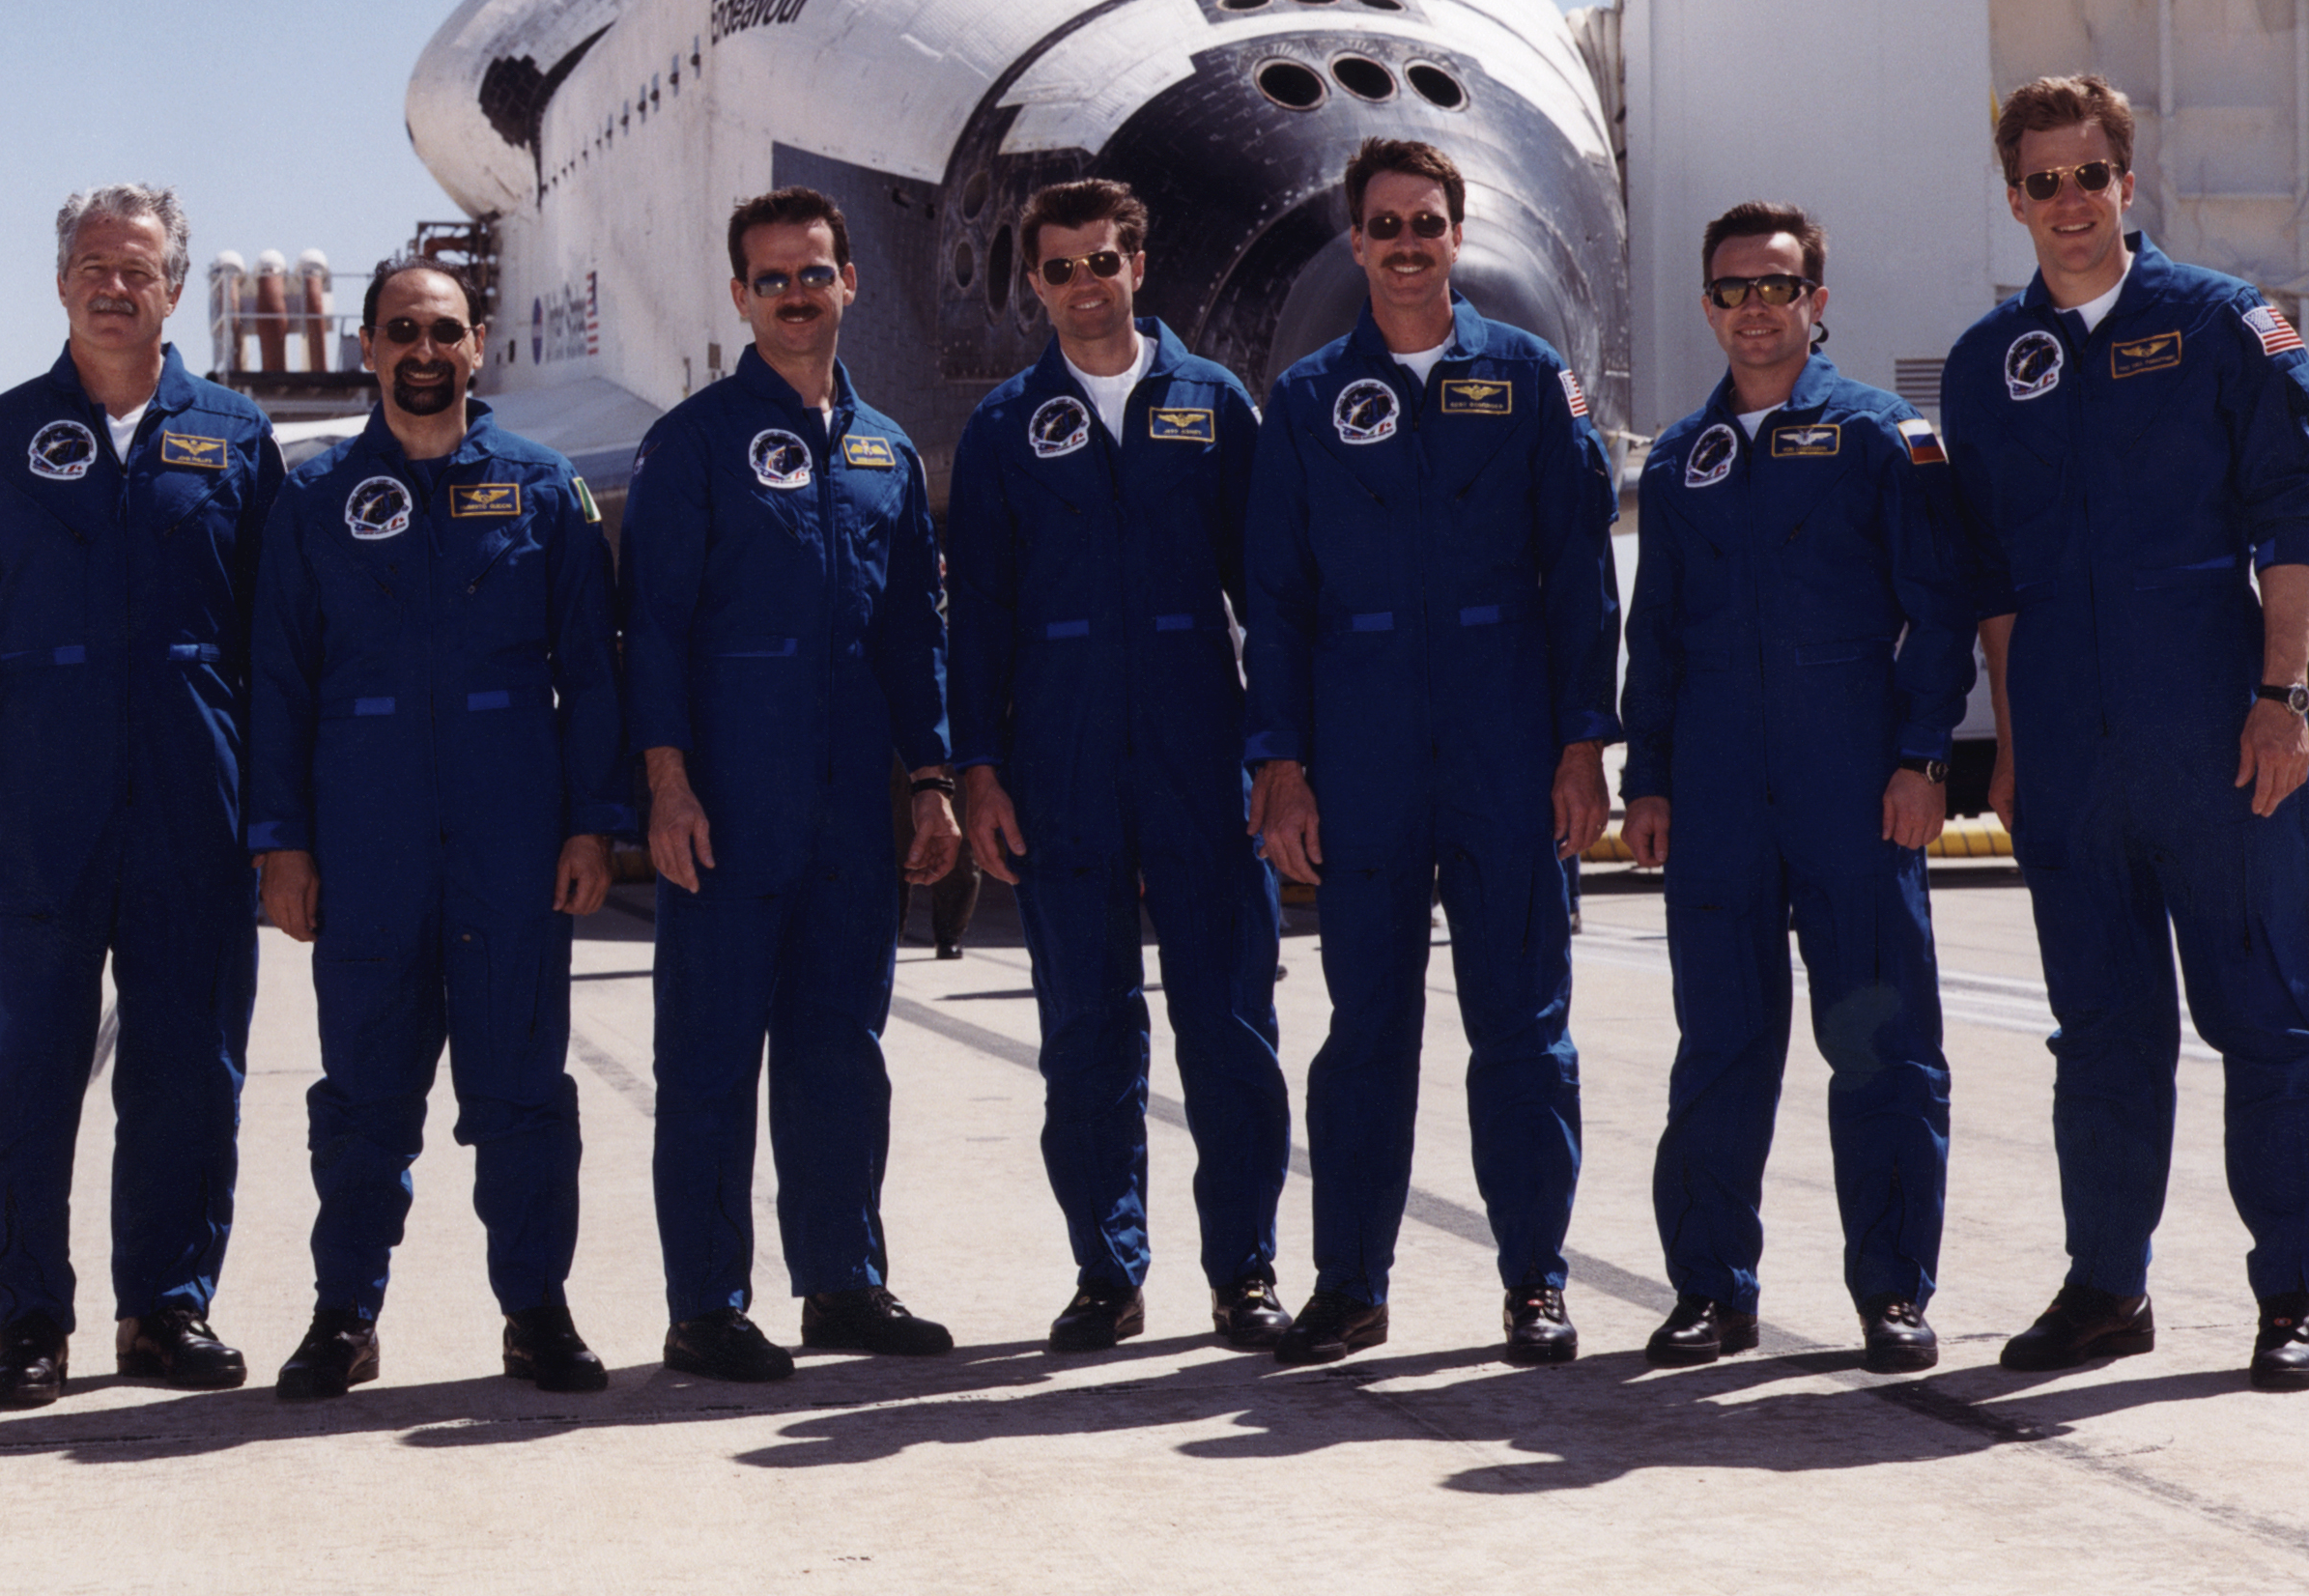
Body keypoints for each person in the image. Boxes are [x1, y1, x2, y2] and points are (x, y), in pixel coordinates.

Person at [1946, 71, 2309, 1392]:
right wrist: (2012, 748)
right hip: (2070, 746)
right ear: (2014, 198)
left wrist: (2284, 697)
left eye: (2091, 175)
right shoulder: (1984, 368)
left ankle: (2292, 1290)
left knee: (2271, 1022)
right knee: (2104, 1036)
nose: (2071, 203)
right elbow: (1995, 583)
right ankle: (2107, 1287)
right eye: (2044, 181)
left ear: (2131, 181)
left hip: (2215, 729)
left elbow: (2292, 518)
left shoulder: (2228, 325)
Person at [0, 185, 280, 1408]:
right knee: (23, 1066)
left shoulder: (236, 437)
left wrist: (281, 825)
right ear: (62, 283)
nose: (118, 286)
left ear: (177, 287)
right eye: (95, 267)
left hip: (195, 798)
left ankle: (166, 1310)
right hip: (43, 804)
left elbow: (281, 643)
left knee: (189, 1066)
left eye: (143, 268)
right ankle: (29, 1323)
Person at [1241, 138, 1619, 1367]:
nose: (1408, 245)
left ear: (1458, 236)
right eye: (1386, 225)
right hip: (1363, 766)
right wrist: (1282, 765)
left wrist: (1581, 746)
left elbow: (1580, 582)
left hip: (1508, 756)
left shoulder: (1530, 381)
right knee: (1367, 1035)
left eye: (1428, 223)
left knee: (1522, 1031)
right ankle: (1350, 1282)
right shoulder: (1303, 403)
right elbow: (1279, 603)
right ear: (1356, 244)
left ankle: (1534, 1284)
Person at [246, 255, 624, 1399]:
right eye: (403, 331)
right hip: (367, 850)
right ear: (367, 346)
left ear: (478, 345)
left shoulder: (544, 489)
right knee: (364, 1098)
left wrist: (589, 826)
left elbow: (591, 679)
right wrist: (283, 843)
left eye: (445, 333)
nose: (425, 352)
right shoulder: (312, 502)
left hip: (512, 844)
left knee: (521, 1091)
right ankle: (344, 1316)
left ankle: (535, 1313)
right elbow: (276, 682)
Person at [1620, 202, 1972, 1374]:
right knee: (1720, 1046)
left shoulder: (1885, 438)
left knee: (1881, 1047)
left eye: (1776, 287)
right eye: (1731, 290)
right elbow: (1655, 634)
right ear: (1708, 306)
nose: (1753, 309)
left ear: (1817, 303)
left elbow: (1940, 611)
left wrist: (1923, 760)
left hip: (1852, 784)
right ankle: (1711, 1290)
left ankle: (1892, 1294)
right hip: (1717, 795)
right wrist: (1652, 778)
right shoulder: (1680, 459)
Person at [948, 177, 1293, 1354]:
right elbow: (977, 621)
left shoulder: (1216, 404)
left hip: (1202, 754)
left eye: (1104, 261)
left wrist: (1280, 752)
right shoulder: (1003, 429)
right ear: (1032, 285)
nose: (1084, 286)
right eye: (1059, 269)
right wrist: (979, 772)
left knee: (1230, 1025)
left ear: (1139, 265)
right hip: (1062, 763)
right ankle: (1108, 1268)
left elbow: (1275, 597)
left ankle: (1245, 1271)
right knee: (1086, 1033)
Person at [622, 185, 960, 1383]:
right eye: (771, 279)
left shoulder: (882, 454)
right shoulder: (697, 442)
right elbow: (652, 630)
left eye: (814, 272)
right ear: (740, 298)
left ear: (849, 282)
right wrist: (667, 787)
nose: (796, 294)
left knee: (840, 1052)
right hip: (726, 802)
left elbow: (914, 629)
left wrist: (931, 777)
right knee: (710, 1056)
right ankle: (706, 1304)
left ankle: (843, 1283)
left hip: (848, 812)